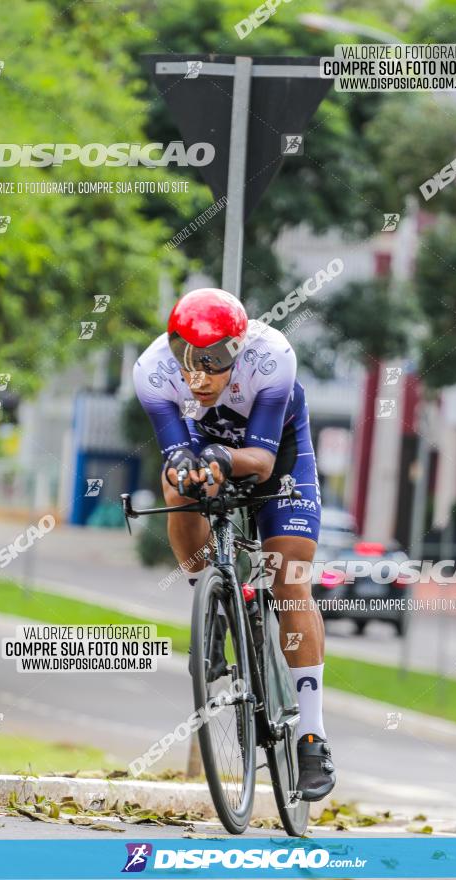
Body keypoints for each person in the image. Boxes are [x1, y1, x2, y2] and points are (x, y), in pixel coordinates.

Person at [133, 287, 336, 801]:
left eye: (214, 365)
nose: (198, 379)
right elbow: (176, 448)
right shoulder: (151, 370)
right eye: (188, 363)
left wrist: (224, 458)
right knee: (176, 481)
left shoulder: (273, 357)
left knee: (290, 580)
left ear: (238, 350)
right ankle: (211, 597)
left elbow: (263, 463)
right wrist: (187, 467)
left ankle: (312, 737)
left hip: (277, 452)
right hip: (207, 445)